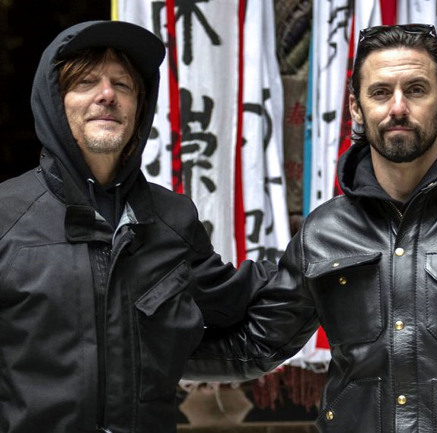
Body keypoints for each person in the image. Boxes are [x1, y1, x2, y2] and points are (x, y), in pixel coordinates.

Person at [0, 21, 316, 433]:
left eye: (123, 85)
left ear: (139, 108)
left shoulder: (172, 220)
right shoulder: (8, 216)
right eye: (86, 82)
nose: (107, 94)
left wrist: (320, 259)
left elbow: (242, 305)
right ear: (54, 103)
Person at [186, 24, 437, 432]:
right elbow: (256, 346)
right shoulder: (324, 231)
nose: (398, 107)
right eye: (381, 92)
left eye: (417, 90)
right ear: (356, 108)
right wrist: (140, 354)